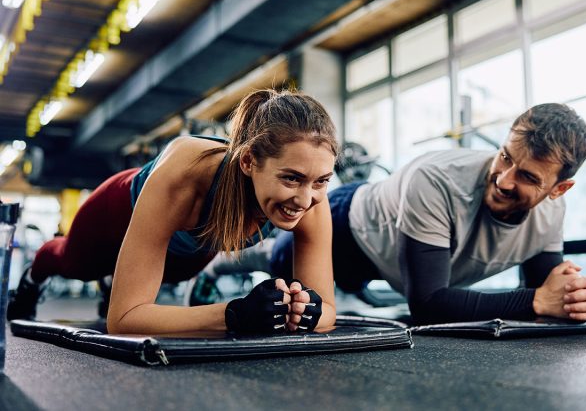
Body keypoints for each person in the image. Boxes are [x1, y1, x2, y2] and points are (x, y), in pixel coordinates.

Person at [8, 89, 338, 335]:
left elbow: (327, 313)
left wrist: (300, 311)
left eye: (321, 180)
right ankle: (33, 277)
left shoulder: (311, 201)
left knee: (174, 275)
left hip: (187, 249)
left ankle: (117, 279)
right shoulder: (186, 171)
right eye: (291, 178)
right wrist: (236, 314)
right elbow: (123, 321)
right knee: (73, 263)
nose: (305, 199)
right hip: (116, 213)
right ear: (249, 161)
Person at [271, 102, 586, 324]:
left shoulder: (551, 213)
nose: (503, 179)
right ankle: (219, 269)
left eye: (528, 177)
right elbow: (428, 305)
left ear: (558, 189)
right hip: (347, 229)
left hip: (392, 264)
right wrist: (538, 301)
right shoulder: (437, 180)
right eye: (505, 157)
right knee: (272, 260)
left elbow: (547, 296)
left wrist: (574, 298)